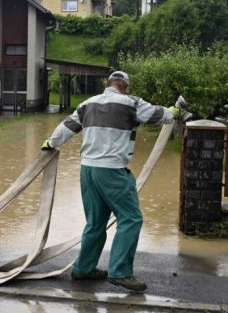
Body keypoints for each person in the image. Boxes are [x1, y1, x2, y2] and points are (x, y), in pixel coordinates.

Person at [42, 70, 179, 292]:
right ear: (125, 86)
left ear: (107, 84)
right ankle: (120, 272)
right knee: (131, 218)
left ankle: (84, 269)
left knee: (95, 222)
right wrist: (172, 112)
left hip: (87, 170)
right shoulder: (131, 103)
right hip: (112, 170)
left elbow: (66, 128)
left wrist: (50, 143)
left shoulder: (87, 104)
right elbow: (157, 115)